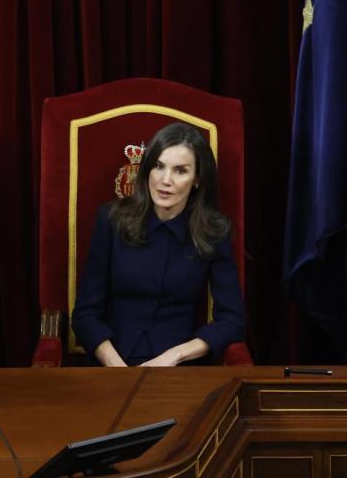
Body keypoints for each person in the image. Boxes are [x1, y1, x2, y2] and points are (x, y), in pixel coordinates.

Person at [71, 122, 246, 367]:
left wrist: (175, 356)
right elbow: (84, 315)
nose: (165, 180)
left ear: (197, 179)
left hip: (179, 368)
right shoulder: (111, 220)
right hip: (110, 363)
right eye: (158, 166)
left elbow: (232, 320)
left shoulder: (214, 232)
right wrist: (116, 367)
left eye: (180, 171)